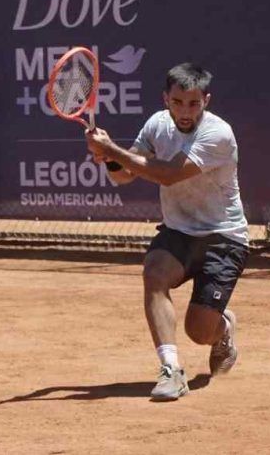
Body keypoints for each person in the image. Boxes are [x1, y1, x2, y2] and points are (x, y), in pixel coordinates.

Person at [85, 62, 248, 401]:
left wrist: (112, 149)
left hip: (223, 236)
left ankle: (222, 329)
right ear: (165, 99)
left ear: (206, 100)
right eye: (177, 102)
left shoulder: (218, 133)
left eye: (193, 103)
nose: (185, 111)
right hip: (178, 231)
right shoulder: (157, 125)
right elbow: (123, 175)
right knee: (154, 272)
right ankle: (171, 370)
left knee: (199, 331)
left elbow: (168, 175)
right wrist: (108, 157)